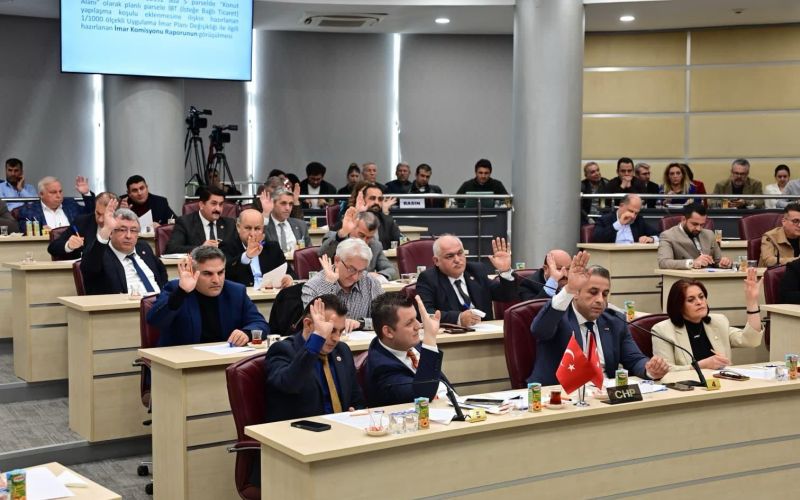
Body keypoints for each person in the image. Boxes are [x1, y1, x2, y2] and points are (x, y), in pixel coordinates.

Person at [528, 251, 670, 385]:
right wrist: (569, 288)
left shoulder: (615, 321)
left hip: (603, 393)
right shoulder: (558, 316)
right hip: (561, 393)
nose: (600, 300)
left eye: (605, 294)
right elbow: (540, 330)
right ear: (576, 293)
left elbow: (634, 359)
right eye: (593, 292)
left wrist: (650, 370)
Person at [264, 294, 365, 420]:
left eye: (341, 331)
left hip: (343, 427)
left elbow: (357, 399)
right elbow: (291, 385)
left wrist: (356, 412)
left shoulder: (342, 351)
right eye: (331, 330)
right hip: (300, 429)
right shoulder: (283, 350)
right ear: (308, 324)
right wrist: (318, 338)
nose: (337, 338)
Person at [147, 246, 268, 346]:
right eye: (207, 274)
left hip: (225, 358)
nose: (216, 280)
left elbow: (260, 324)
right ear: (193, 272)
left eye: (220, 272)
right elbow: (155, 321)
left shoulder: (235, 291)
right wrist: (181, 292)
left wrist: (247, 333)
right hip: (185, 362)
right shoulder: (176, 289)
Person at [652, 272, 763, 371]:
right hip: (686, 386)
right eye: (691, 300)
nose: (699, 302)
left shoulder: (718, 322)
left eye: (701, 297)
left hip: (721, 383)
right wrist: (700, 366)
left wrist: (752, 301)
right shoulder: (662, 331)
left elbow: (751, 340)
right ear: (678, 305)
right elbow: (665, 370)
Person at [366, 293, 451, 406]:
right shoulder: (382, 367)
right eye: (409, 323)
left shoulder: (409, 344)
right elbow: (422, 396)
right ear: (388, 332)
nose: (418, 326)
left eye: (416, 318)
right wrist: (430, 337)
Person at [416, 235, 517, 326]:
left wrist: (505, 271)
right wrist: (458, 318)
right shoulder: (428, 278)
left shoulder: (476, 270)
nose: (457, 260)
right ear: (436, 261)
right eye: (450, 256)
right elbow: (426, 313)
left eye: (460, 253)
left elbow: (507, 296)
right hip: (454, 336)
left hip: (486, 332)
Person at [81, 203, 168, 295]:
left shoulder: (143, 247)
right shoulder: (101, 255)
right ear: (111, 233)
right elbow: (89, 267)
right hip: (126, 303)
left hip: (159, 301)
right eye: (122, 230)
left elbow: (161, 272)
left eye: (133, 230)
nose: (128, 236)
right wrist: (106, 229)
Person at [301, 238, 384, 324]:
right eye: (351, 269)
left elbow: (384, 320)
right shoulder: (312, 286)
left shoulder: (371, 283)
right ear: (337, 260)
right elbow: (315, 323)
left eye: (361, 271)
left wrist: (361, 323)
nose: (355, 277)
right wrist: (329, 283)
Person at [220, 208, 293, 288]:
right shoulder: (227, 247)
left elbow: (290, 273)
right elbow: (226, 274)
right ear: (238, 227)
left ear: (263, 229)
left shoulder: (273, 248)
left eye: (257, 229)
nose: (252, 233)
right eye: (248, 228)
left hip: (270, 293)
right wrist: (246, 257)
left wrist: (288, 278)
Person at [319, 208, 397, 282]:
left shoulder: (375, 245)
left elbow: (392, 270)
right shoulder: (335, 238)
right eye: (361, 235)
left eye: (369, 237)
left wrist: (377, 275)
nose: (365, 241)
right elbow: (322, 254)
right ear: (353, 227)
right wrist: (341, 234)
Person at [657, 203, 732, 269]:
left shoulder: (709, 234)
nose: (699, 228)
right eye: (695, 224)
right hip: (684, 278)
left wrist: (723, 263)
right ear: (683, 219)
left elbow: (717, 261)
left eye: (702, 225)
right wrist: (692, 263)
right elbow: (663, 262)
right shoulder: (668, 235)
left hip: (709, 277)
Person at [47, 192, 118, 260]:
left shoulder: (122, 225)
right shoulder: (82, 222)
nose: (100, 220)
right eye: (98, 213)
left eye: (106, 215)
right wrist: (68, 245)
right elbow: (52, 248)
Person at [165, 186, 236, 254]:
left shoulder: (230, 224)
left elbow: (236, 249)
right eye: (213, 204)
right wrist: (200, 249)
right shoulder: (185, 223)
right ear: (201, 205)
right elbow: (172, 249)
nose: (218, 209)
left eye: (221, 204)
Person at [336, 182, 402, 250]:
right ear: (362, 199)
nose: (376, 202)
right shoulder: (350, 218)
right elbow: (332, 242)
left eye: (380, 199)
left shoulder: (387, 220)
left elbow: (402, 241)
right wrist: (356, 214)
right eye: (372, 198)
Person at [17, 176, 95, 229]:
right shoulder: (29, 211)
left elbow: (91, 214)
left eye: (60, 191)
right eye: (53, 192)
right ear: (41, 194)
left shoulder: (71, 204)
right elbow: (24, 230)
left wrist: (86, 193)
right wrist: (41, 231)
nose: (58, 195)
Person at [592, 194, 659, 244]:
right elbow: (597, 238)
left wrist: (651, 239)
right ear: (621, 206)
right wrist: (619, 224)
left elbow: (660, 235)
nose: (633, 216)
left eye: (636, 213)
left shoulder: (638, 220)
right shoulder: (605, 219)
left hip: (634, 255)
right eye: (630, 211)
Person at [759, 203, 800, 267]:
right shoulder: (770, 237)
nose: (799, 225)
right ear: (784, 221)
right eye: (795, 221)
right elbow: (768, 261)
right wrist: (797, 260)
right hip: (776, 273)